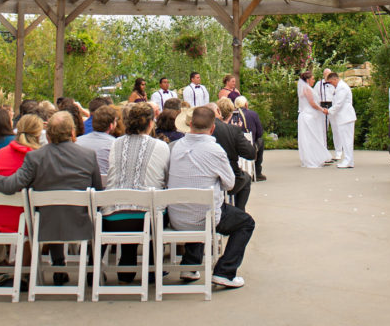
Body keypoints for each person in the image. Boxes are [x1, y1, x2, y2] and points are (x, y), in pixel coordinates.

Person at [0, 112, 102, 280]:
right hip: (81, 222)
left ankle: (58, 263)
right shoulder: (88, 155)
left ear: (47, 135)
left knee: (52, 210)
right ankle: (91, 267)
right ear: (72, 131)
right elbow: (97, 191)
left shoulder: (35, 157)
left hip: (45, 223)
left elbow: (12, 185)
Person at [168, 106, 256, 289]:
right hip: (205, 217)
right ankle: (225, 271)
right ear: (213, 128)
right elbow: (230, 184)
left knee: (197, 204)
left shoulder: (175, 147)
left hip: (176, 216)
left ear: (189, 125)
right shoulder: (215, 150)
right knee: (246, 223)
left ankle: (190, 265)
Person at [104, 102, 170, 281]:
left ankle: (127, 263)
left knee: (129, 208)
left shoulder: (115, 144)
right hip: (148, 221)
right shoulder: (161, 147)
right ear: (150, 123)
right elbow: (166, 178)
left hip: (111, 218)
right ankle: (151, 266)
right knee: (152, 208)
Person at [0, 114, 42, 245]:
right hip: (25, 221)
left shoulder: (1, 153)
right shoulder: (37, 156)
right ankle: (26, 262)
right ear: (39, 133)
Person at [208, 102, 256, 209]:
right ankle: (239, 212)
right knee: (246, 178)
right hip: (229, 178)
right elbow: (250, 153)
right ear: (218, 111)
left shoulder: (193, 134)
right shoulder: (232, 130)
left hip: (206, 181)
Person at [297, 70, 330, 168]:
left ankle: (313, 157)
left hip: (308, 115)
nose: (314, 80)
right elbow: (312, 103)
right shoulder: (307, 89)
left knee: (310, 137)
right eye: (312, 79)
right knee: (311, 137)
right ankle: (313, 158)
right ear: (307, 80)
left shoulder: (305, 88)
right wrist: (322, 109)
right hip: (308, 117)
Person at [75, 104, 118, 175]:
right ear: (111, 126)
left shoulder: (77, 141)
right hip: (106, 183)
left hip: (81, 182)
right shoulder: (115, 144)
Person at [230, 96, 265, 181]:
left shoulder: (232, 115)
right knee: (261, 141)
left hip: (234, 145)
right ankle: (257, 172)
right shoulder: (253, 114)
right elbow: (259, 133)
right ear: (246, 104)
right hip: (249, 145)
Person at [327, 71, 356, 169]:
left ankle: (348, 160)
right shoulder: (338, 87)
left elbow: (339, 103)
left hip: (346, 117)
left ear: (335, 79)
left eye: (331, 82)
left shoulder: (342, 87)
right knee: (345, 140)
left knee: (347, 140)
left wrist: (328, 111)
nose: (331, 84)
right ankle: (348, 160)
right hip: (343, 117)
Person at [315, 70, 338, 160]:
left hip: (333, 107)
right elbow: (315, 96)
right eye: (326, 74)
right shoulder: (319, 84)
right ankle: (324, 150)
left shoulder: (335, 84)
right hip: (323, 107)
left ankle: (338, 151)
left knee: (336, 129)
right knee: (323, 129)